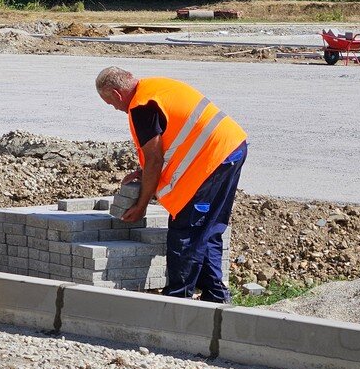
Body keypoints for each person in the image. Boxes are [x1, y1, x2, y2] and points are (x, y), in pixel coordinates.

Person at [95, 67, 247, 303]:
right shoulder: (156, 88)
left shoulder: (141, 106)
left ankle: (177, 301)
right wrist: (143, 172)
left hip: (211, 160)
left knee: (185, 230)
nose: (114, 108)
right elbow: (171, 140)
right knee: (209, 228)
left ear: (117, 93)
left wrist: (142, 204)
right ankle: (216, 297)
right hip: (231, 148)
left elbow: (155, 159)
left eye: (110, 102)